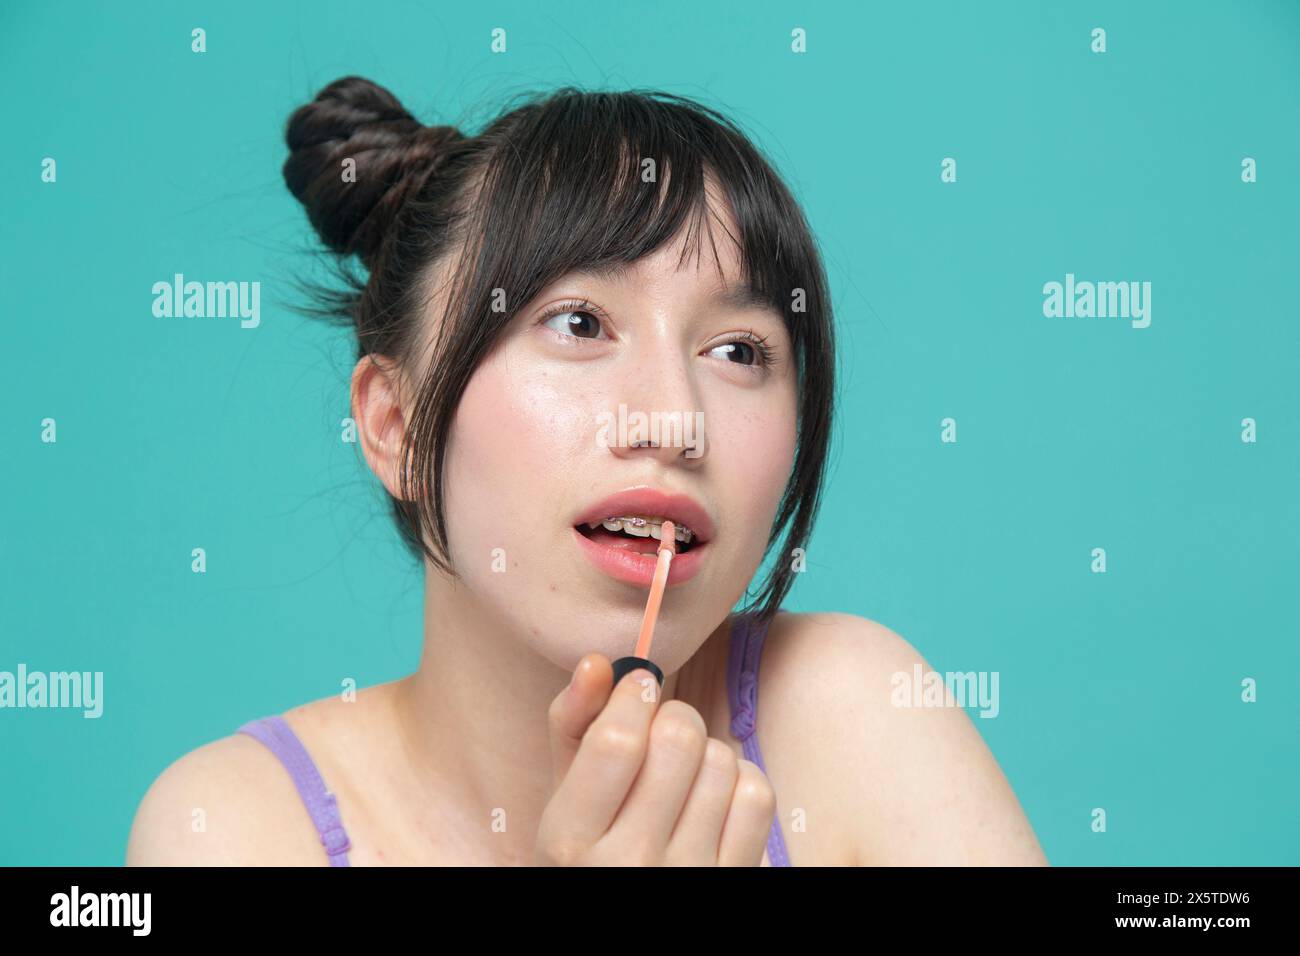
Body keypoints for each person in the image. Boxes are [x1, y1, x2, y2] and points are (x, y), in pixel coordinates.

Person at [126, 76, 1047, 866]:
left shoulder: (855, 713)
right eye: (579, 324)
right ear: (396, 423)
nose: (676, 421)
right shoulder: (236, 826)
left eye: (737, 349)